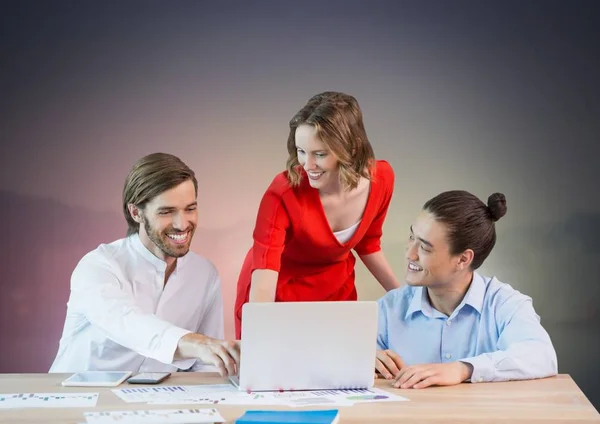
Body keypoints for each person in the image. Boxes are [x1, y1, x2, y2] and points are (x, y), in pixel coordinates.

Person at [50, 153, 239, 377]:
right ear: (136, 213)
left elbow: (207, 365)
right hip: (77, 399)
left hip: (156, 403)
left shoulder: (205, 274)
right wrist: (197, 344)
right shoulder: (98, 266)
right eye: (167, 212)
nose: (182, 224)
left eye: (190, 209)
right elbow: (127, 323)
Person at [234, 91, 401, 338]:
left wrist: (403, 298)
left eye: (319, 154)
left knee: (344, 371)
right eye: (301, 151)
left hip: (336, 292)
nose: (306, 164)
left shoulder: (382, 179)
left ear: (351, 148)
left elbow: (368, 242)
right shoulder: (282, 193)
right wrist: (261, 333)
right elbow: (265, 271)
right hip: (278, 295)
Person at [375, 190, 558, 388]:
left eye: (425, 248)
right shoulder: (390, 307)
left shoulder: (504, 304)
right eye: (412, 237)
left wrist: (464, 369)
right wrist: (362, 360)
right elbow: (344, 355)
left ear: (463, 259)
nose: (410, 254)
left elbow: (541, 356)